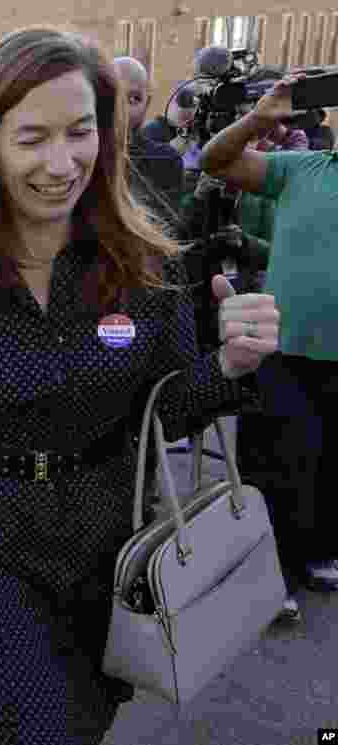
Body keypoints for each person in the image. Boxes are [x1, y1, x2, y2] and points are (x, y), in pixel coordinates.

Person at [0, 28, 279, 745]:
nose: (62, 164)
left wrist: (231, 367)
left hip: (108, 554)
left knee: (81, 728)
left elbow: (170, 409)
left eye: (80, 132)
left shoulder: (147, 263)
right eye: (33, 139)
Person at [201, 72, 338, 622]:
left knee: (329, 462)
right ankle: (268, 571)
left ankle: (318, 550)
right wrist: (261, 117)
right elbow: (216, 161)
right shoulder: (302, 168)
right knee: (277, 462)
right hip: (280, 349)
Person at [114, 57, 184, 229]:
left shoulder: (164, 159)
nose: (122, 108)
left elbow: (167, 226)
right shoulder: (83, 155)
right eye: (113, 96)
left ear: (147, 103)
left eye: (133, 99)